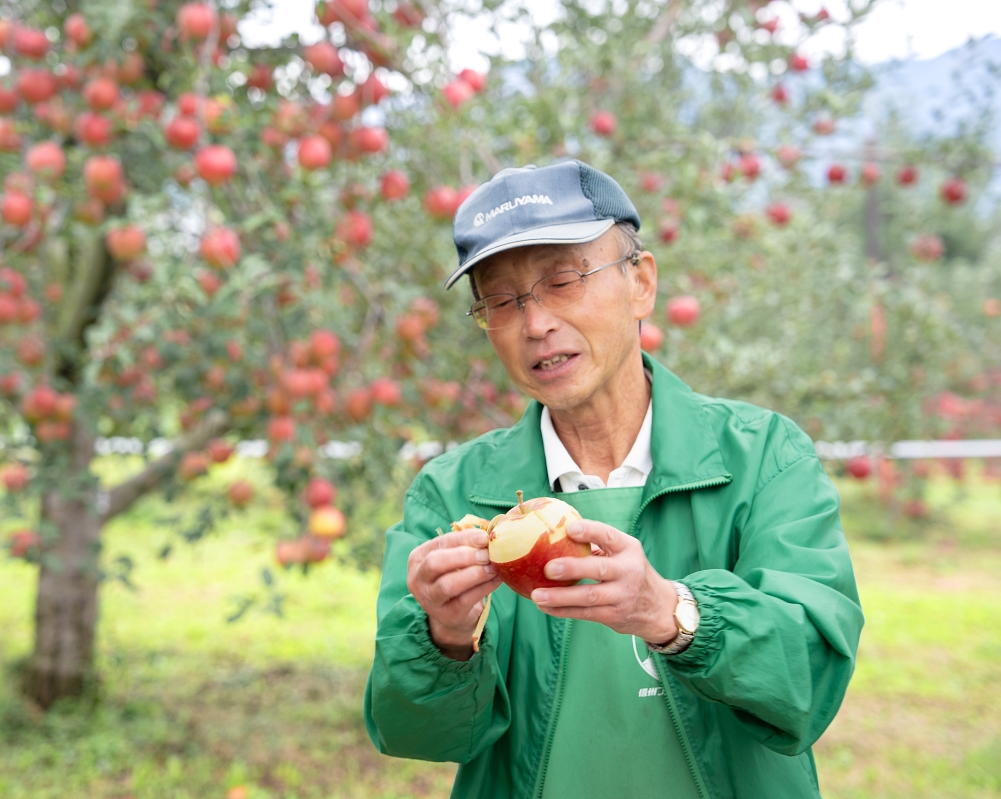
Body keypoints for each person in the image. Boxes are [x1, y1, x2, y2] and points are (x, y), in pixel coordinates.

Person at [363, 160, 864, 798]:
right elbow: (419, 737)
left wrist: (672, 613)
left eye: (563, 280)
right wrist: (446, 638)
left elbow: (811, 682)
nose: (535, 323)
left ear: (641, 282)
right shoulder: (454, 493)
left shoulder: (763, 456)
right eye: (500, 301)